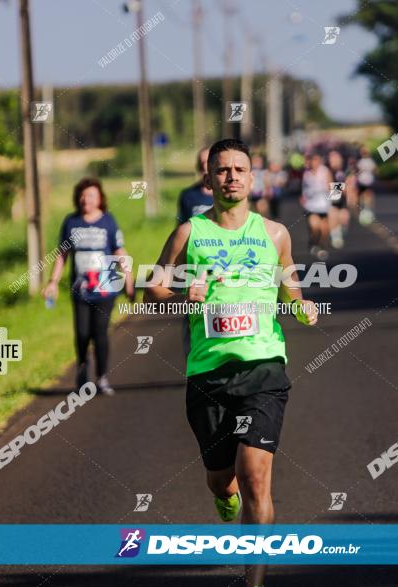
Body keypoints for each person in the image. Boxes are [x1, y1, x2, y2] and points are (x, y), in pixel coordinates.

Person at [145, 138, 318, 587]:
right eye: (223, 170)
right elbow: (153, 289)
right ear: (208, 179)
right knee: (223, 480)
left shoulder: (275, 233)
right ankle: (226, 498)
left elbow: (289, 285)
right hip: (207, 371)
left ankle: (254, 578)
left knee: (254, 472)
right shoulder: (189, 232)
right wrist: (185, 292)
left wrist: (302, 305)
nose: (232, 177)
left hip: (263, 366)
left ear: (252, 177)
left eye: (240, 169)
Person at [44, 178, 134, 395]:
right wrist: (53, 282)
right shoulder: (71, 222)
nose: (86, 200)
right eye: (83, 195)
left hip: (105, 289)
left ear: (100, 198)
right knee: (82, 333)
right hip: (80, 289)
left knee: (100, 332)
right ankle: (82, 373)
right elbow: (62, 255)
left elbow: (120, 252)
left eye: (91, 195)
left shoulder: (108, 222)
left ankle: (102, 377)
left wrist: (129, 280)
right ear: (78, 198)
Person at [301, 153, 332, 260]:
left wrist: (334, 201)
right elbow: (304, 189)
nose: (314, 163)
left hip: (324, 205)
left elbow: (332, 185)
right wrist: (303, 197)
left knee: (324, 229)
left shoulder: (325, 171)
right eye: (312, 160)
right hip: (311, 206)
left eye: (316, 160)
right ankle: (313, 241)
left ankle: (322, 246)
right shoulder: (306, 174)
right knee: (315, 227)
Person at [176, 148, 214, 224]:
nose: (204, 166)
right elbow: (181, 225)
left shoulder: (228, 194)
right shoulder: (188, 195)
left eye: (208, 162)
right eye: (202, 163)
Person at [327, 149, 349, 249]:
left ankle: (339, 230)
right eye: (332, 158)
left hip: (342, 199)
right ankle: (335, 236)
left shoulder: (345, 170)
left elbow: (349, 185)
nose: (334, 160)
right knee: (333, 216)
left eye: (336, 158)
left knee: (344, 219)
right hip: (332, 199)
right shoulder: (327, 171)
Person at [356, 146, 377, 226]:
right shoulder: (370, 161)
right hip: (367, 180)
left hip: (364, 181)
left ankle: (366, 210)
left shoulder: (361, 161)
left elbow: (357, 171)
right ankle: (367, 210)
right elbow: (375, 170)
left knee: (364, 196)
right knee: (368, 196)